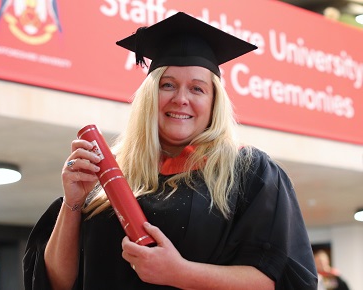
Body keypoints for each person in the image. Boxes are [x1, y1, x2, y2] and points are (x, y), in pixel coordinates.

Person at [23, 12, 318, 290]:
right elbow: (56, 283)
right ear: (150, 96)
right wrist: (73, 204)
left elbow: (278, 280)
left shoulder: (247, 171)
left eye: (197, 89)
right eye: (168, 85)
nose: (181, 99)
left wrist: (181, 273)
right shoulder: (109, 176)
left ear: (215, 102)